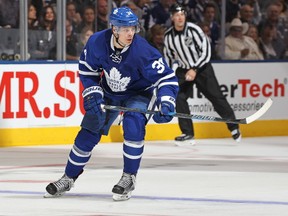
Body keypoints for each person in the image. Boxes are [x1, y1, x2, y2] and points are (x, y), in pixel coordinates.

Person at [44, 6, 178, 201]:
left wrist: (166, 102)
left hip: (139, 93)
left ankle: (129, 178)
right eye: (125, 29)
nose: (130, 32)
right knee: (88, 133)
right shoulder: (97, 41)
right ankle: (68, 177)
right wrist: (92, 92)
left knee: (133, 124)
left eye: (133, 28)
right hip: (109, 92)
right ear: (114, 29)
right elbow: (87, 70)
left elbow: (166, 79)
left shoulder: (143, 51)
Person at [163, 3, 241, 146]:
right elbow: (168, 56)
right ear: (172, 17)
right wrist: (168, 75)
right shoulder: (168, 36)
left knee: (216, 97)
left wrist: (195, 69)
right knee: (178, 96)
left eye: (182, 14)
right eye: (177, 15)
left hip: (202, 68)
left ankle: (233, 126)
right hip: (183, 69)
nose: (180, 17)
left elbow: (206, 52)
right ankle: (188, 133)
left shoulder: (194, 30)